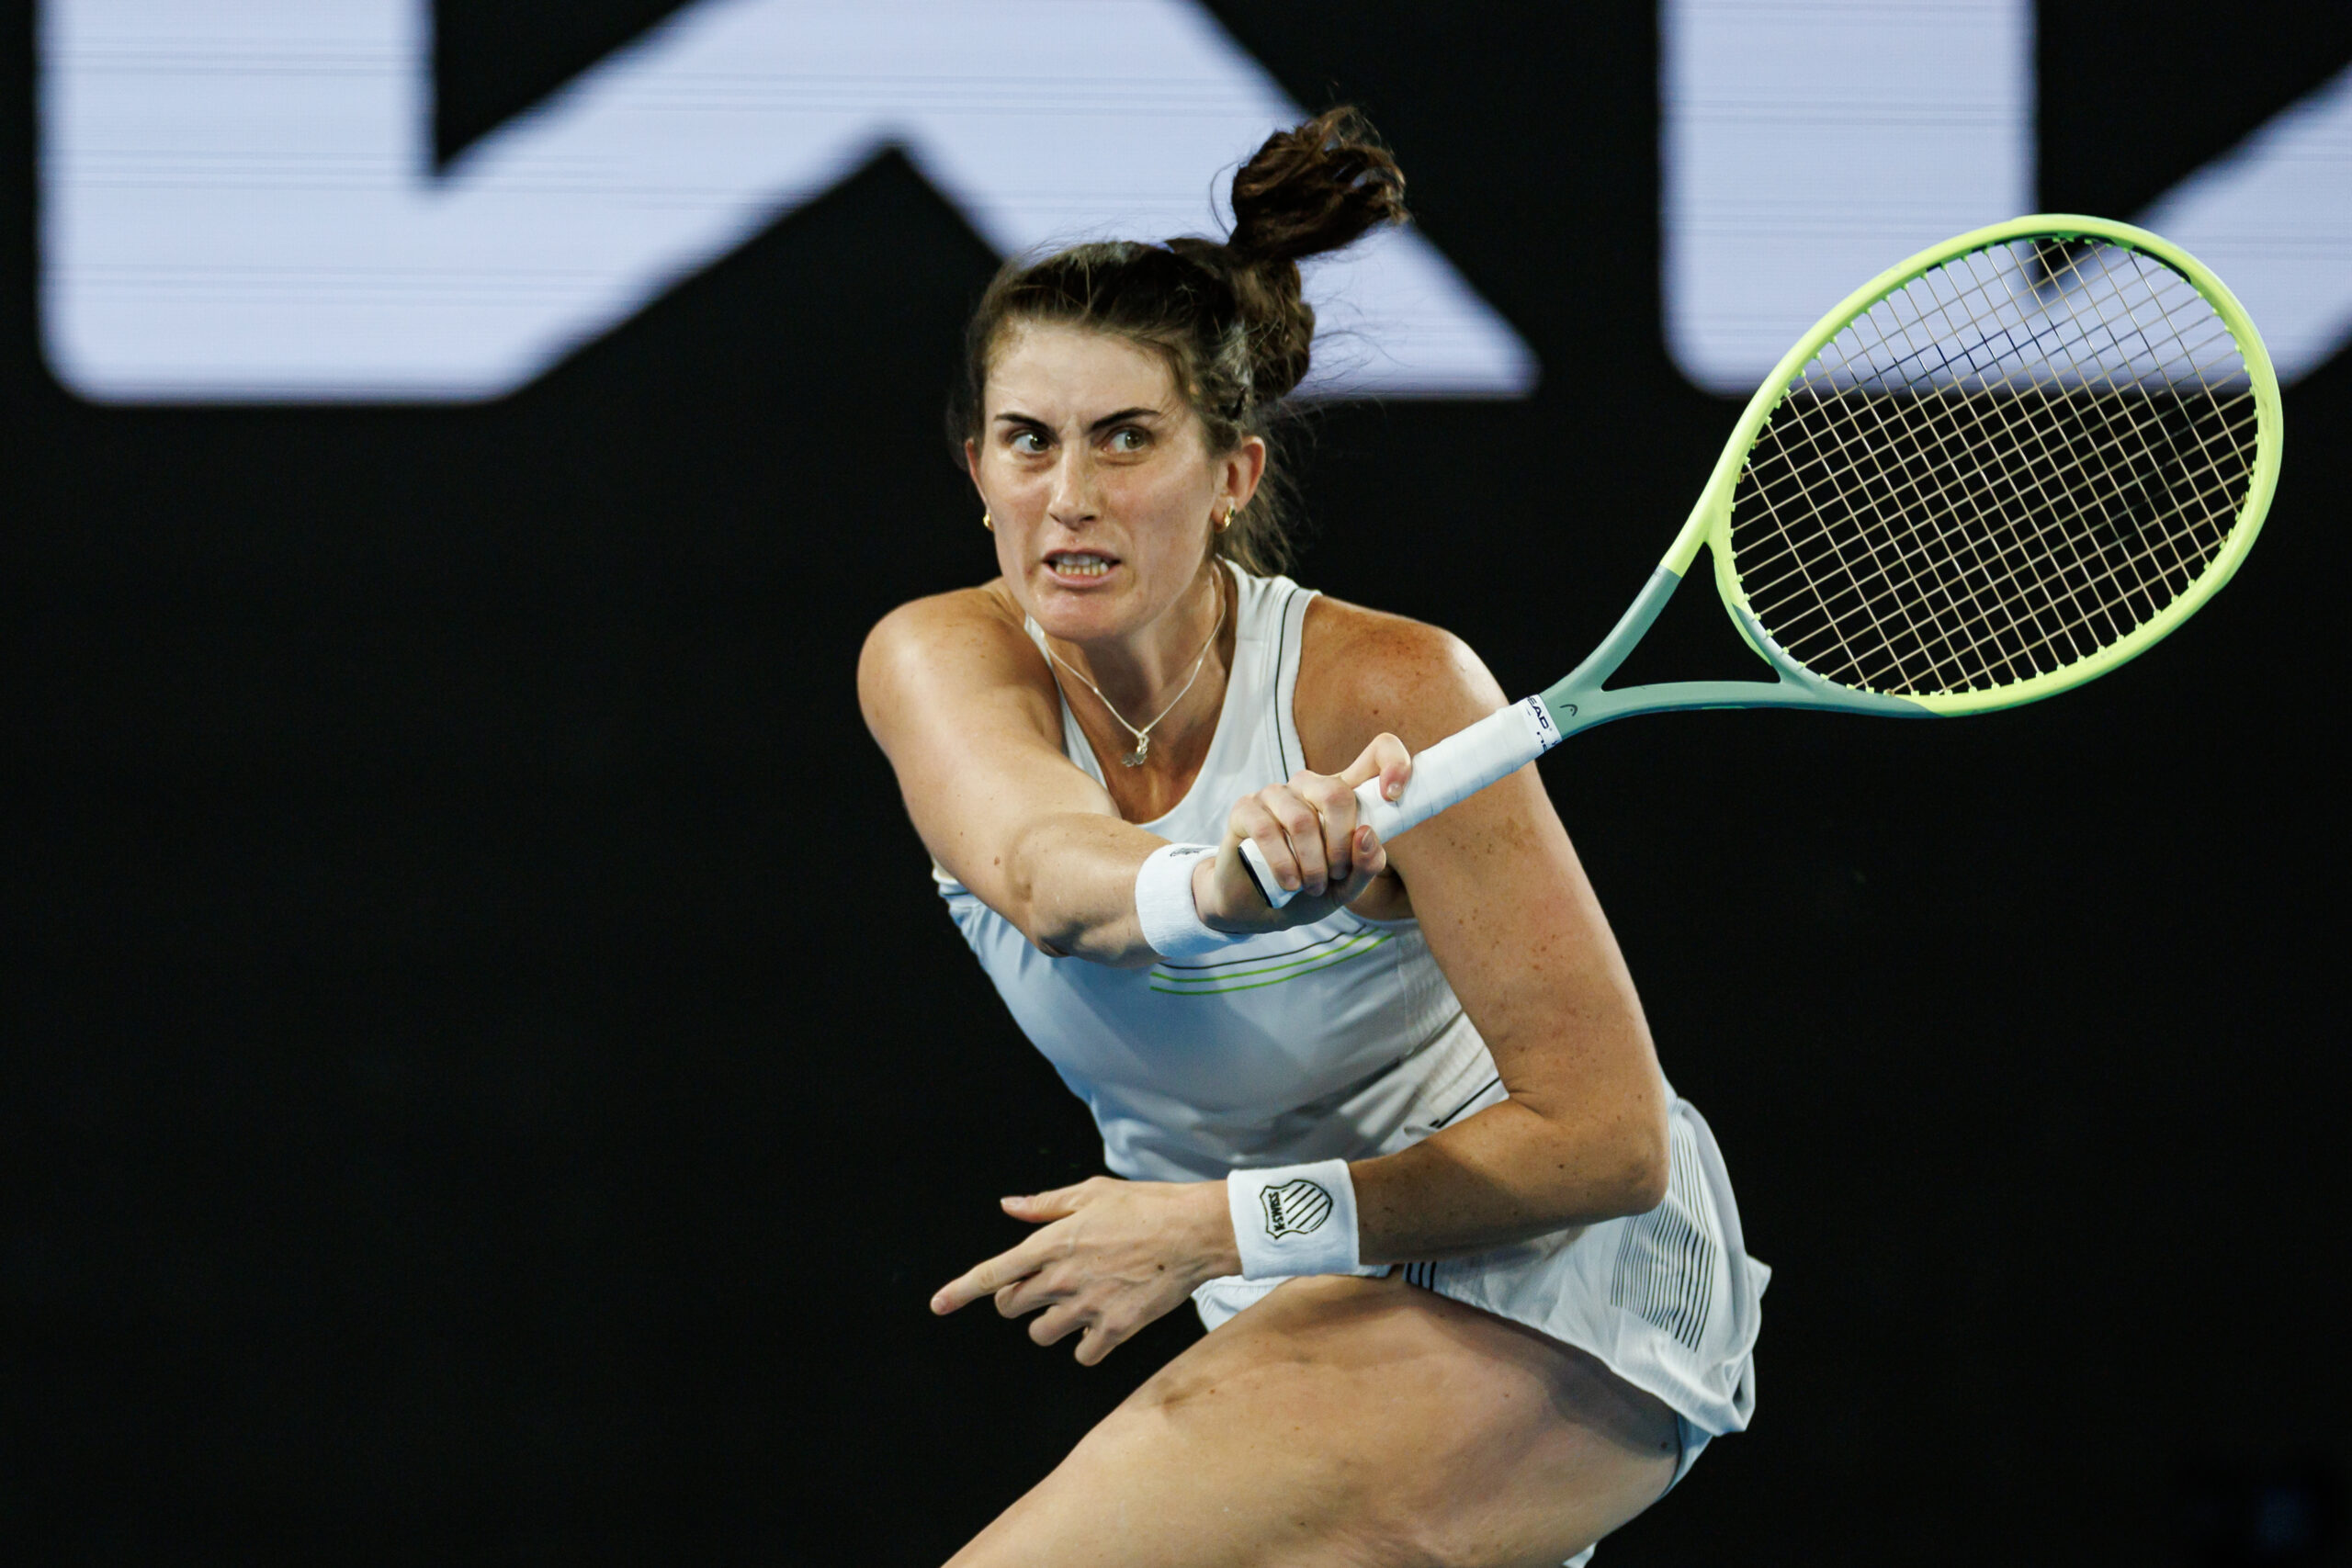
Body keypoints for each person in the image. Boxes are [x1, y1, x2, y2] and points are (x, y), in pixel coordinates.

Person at [858, 108, 1767, 1568]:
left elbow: (1606, 1142)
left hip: (1555, 1278)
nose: (1068, 498)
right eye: (1026, 442)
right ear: (976, 468)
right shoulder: (936, 659)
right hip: (1291, 1293)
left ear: (1232, 477)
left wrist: (1222, 1226)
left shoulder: (1392, 694)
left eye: (1126, 440)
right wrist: (1224, 882)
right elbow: (1046, 879)